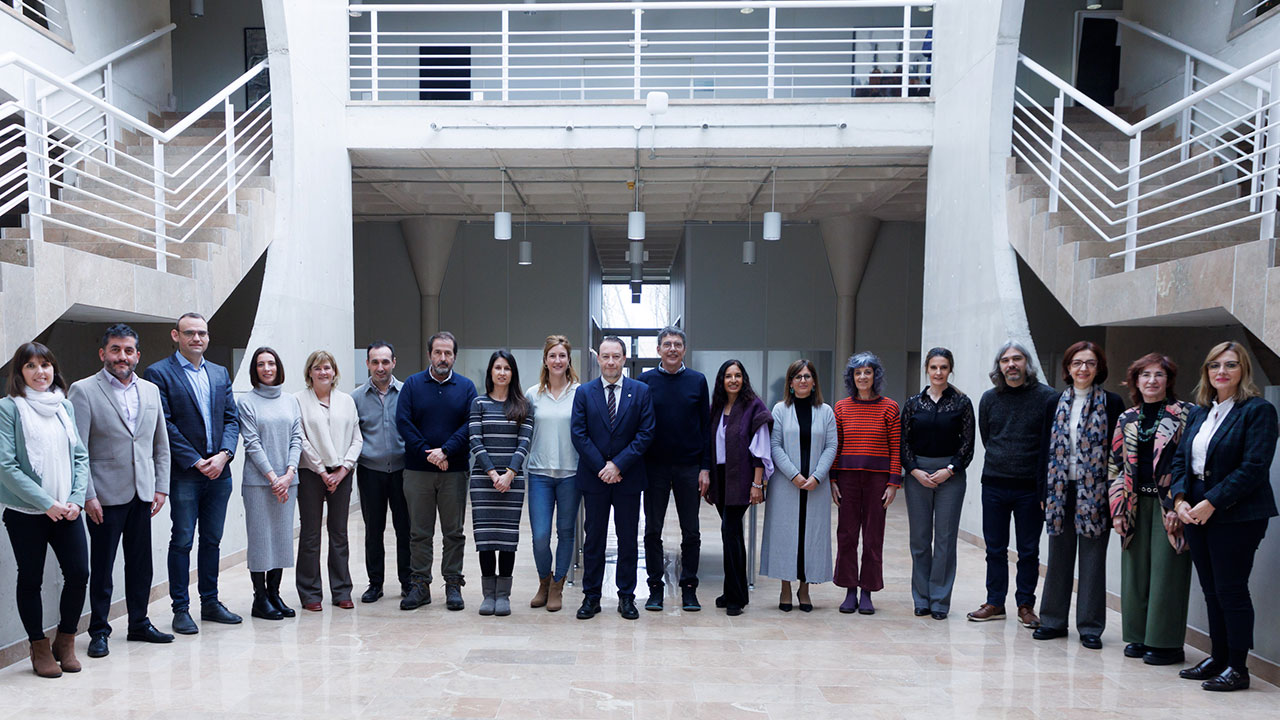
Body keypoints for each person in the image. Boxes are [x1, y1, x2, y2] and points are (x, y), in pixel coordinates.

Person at [1171, 341, 1278, 692]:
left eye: (1230, 365)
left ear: (1243, 370)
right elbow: (1181, 460)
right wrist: (1181, 498)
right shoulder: (1201, 412)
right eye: (1215, 365)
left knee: (1231, 589)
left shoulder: (1257, 411)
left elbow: (1254, 467)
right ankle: (1217, 658)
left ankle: (1237, 667)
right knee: (1211, 589)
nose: (1221, 372)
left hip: (1238, 513)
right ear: (1206, 371)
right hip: (1196, 506)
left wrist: (1212, 501)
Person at [68, 324, 173, 659]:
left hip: (143, 494)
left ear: (137, 355)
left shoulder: (151, 391)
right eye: (115, 350)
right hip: (104, 498)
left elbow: (161, 446)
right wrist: (87, 495)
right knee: (102, 567)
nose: (122, 357)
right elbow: (77, 449)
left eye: (128, 351)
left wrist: (161, 487)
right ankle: (99, 630)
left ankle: (139, 623)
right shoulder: (83, 391)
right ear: (103, 354)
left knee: (141, 565)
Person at [144, 312, 241, 635]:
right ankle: (181, 609)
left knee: (212, 540)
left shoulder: (219, 372)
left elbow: (231, 418)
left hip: (220, 472)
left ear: (208, 337)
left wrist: (224, 456)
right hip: (186, 472)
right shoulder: (158, 373)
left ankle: (210, 603)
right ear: (176, 336)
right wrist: (197, 460)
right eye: (189, 333)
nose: (196, 338)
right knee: (182, 540)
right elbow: (164, 424)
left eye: (201, 333)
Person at [0, 342, 89, 678]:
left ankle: (65, 641)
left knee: (79, 573)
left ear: (54, 369)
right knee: (31, 579)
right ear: (20, 373)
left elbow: (80, 456)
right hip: (27, 513)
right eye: (31, 366)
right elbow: (6, 465)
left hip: (68, 510)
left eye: (46, 365)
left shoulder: (64, 407)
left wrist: (75, 501)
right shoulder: (8, 409)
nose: (41, 372)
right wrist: (45, 503)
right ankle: (38, 647)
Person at [1034, 341, 1124, 650]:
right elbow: (1043, 449)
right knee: (1058, 558)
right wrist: (1043, 490)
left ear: (1099, 368)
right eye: (1077, 362)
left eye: (1090, 363)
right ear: (1068, 368)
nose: (1083, 368)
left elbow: (1118, 453)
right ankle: (1052, 621)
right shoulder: (1054, 402)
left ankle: (1090, 627)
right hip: (1059, 490)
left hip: (1096, 492)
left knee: (1092, 560)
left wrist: (1115, 494)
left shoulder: (1112, 403)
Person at [1107, 353, 1192, 666]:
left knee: (1168, 571)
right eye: (1145, 375)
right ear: (1136, 381)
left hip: (1169, 505)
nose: (1152, 380)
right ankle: (1139, 636)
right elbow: (1114, 466)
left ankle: (1166, 643)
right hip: (1133, 504)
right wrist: (1117, 509)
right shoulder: (1127, 418)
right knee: (1135, 572)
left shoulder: (1187, 414)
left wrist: (1180, 502)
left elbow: (1193, 465)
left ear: (1168, 380)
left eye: (1159, 374)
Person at [966, 341, 1056, 628]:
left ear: (1027, 364)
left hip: (1030, 487)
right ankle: (995, 602)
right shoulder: (989, 399)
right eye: (1005, 360)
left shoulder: (1047, 398)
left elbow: (1050, 445)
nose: (1011, 364)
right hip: (994, 484)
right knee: (995, 548)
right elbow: (987, 437)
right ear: (999, 366)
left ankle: (1026, 605)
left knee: (1028, 550)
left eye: (1017, 359)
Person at [571, 336, 655, 621]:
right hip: (594, 479)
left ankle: (627, 596)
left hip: (628, 478)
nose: (610, 362)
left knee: (628, 539)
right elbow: (579, 434)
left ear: (623, 358)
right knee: (593, 539)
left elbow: (646, 434)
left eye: (616, 356)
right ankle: (591, 596)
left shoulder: (641, 391)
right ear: (598, 359)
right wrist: (603, 467)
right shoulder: (584, 392)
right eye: (605, 356)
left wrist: (618, 465)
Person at [396, 331, 477, 611]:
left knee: (453, 531)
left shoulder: (466, 387)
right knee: (419, 532)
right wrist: (429, 454)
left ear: (455, 356)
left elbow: (470, 425)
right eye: (438, 352)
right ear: (429, 354)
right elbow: (404, 423)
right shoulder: (412, 385)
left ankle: (453, 584)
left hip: (454, 470)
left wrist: (446, 451)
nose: (443, 358)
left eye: (448, 353)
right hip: (418, 470)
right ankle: (420, 585)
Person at [637, 326, 711, 612]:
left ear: (684, 349)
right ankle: (655, 587)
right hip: (654, 467)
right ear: (658, 350)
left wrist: (705, 467)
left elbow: (706, 428)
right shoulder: (644, 382)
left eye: (677, 344)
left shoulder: (697, 381)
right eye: (666, 344)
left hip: (688, 467)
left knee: (691, 531)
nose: (671, 349)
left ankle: (689, 588)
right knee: (652, 530)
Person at [900, 347, 974, 621]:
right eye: (934, 367)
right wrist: (914, 470)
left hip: (950, 476)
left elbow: (967, 444)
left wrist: (950, 469)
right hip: (918, 474)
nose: (939, 372)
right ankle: (921, 598)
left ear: (950, 370)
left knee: (944, 539)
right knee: (920, 539)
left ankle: (940, 600)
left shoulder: (962, 403)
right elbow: (903, 442)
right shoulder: (913, 403)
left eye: (943, 367)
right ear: (927, 370)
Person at [761, 359, 838, 612]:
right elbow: (774, 446)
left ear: (814, 382)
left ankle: (804, 588)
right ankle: (785, 587)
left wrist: (817, 476)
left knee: (809, 535)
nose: (803, 380)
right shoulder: (780, 409)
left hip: (816, 485)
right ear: (790, 383)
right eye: (798, 377)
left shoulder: (826, 411)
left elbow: (831, 446)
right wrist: (794, 475)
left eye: (807, 376)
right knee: (786, 535)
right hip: (786, 484)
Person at [237, 347, 303, 620]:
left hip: (288, 482)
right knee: (260, 541)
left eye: (271, 363)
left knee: (281, 539)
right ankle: (259, 598)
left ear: (278, 367)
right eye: (261, 364)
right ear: (255, 369)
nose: (267, 368)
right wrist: (273, 478)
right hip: (258, 484)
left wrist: (288, 474)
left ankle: (275, 593)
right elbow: (252, 444)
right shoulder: (247, 402)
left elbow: (297, 438)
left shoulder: (290, 401)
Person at [831, 352, 900, 615]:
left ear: (875, 376)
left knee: (873, 536)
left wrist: (893, 482)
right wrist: (833, 480)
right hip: (847, 478)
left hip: (877, 480)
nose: (862, 377)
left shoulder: (890, 407)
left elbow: (896, 447)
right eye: (858, 373)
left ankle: (867, 590)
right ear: (852, 377)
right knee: (847, 534)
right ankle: (849, 589)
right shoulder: (841, 407)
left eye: (867, 372)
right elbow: (835, 447)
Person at [294, 350, 363, 611]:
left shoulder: (346, 400)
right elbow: (299, 439)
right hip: (311, 473)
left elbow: (357, 437)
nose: (323, 372)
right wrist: (322, 471)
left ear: (334, 372)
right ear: (309, 372)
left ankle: (341, 590)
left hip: (342, 473)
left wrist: (343, 470)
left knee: (339, 533)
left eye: (328, 367)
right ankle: (310, 593)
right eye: (318, 368)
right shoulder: (298, 400)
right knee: (310, 534)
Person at [469, 350, 534, 617]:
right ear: (491, 372)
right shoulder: (479, 403)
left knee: (507, 538)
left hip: (512, 481)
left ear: (512, 373)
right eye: (497, 367)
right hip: (484, 482)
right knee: (485, 538)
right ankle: (488, 594)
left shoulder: (523, 406)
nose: (502, 372)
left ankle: (503, 595)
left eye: (507, 368)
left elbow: (525, 441)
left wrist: (509, 473)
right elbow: (475, 439)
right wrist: (493, 474)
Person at [706, 359, 772, 616]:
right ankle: (734, 590)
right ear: (721, 380)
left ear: (744, 379)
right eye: (728, 376)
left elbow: (761, 448)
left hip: (743, 476)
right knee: (732, 536)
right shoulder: (717, 408)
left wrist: (757, 483)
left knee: (729, 531)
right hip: (721, 477)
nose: (733, 380)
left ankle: (735, 597)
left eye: (738, 375)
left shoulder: (753, 406)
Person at [525, 334, 581, 612]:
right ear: (545, 360)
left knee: (566, 531)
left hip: (571, 474)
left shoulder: (580, 393)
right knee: (540, 535)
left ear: (569, 359)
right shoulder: (532, 394)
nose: (557, 360)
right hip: (539, 474)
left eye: (562, 355)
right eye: (552, 356)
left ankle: (558, 585)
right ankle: (543, 581)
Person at [353, 340, 409, 604]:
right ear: (367, 364)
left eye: (385, 361)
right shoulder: (355, 398)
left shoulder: (408, 392)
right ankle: (375, 584)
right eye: (375, 361)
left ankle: (408, 582)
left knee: (404, 529)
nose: (380, 367)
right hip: (370, 472)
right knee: (373, 530)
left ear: (394, 363)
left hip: (402, 471)